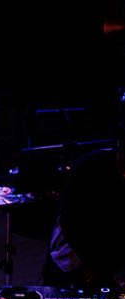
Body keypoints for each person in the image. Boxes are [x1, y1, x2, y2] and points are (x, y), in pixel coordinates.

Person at [44, 115, 125, 287]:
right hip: (72, 258)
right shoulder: (88, 168)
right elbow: (71, 224)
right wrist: (97, 266)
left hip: (110, 260)